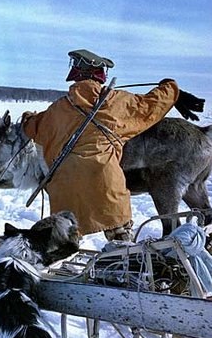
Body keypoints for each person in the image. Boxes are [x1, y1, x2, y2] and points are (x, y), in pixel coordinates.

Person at [22, 49, 185, 241]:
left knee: (64, 239)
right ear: (100, 74)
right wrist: (170, 86)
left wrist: (28, 117)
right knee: (120, 241)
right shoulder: (116, 101)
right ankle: (121, 259)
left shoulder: (58, 109)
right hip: (105, 182)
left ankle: (61, 266)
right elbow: (150, 105)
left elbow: (32, 127)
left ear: (76, 73)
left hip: (65, 184)